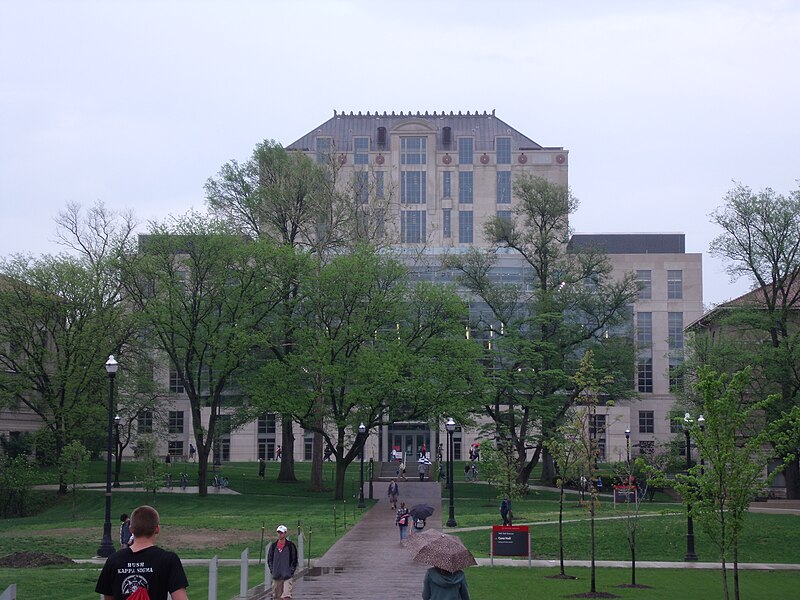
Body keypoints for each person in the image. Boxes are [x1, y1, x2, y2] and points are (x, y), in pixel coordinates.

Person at [95, 504, 189, 600]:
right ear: (157, 529)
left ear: (131, 529)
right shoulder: (168, 560)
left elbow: (108, 597)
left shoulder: (114, 560)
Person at [268, 525, 298, 600]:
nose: (279, 534)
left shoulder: (290, 546)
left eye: (281, 533)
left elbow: (294, 560)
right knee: (277, 597)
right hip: (276, 575)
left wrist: (290, 571)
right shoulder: (273, 546)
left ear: (285, 533)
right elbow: (270, 560)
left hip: (287, 575)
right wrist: (273, 570)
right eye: (278, 532)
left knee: (286, 596)